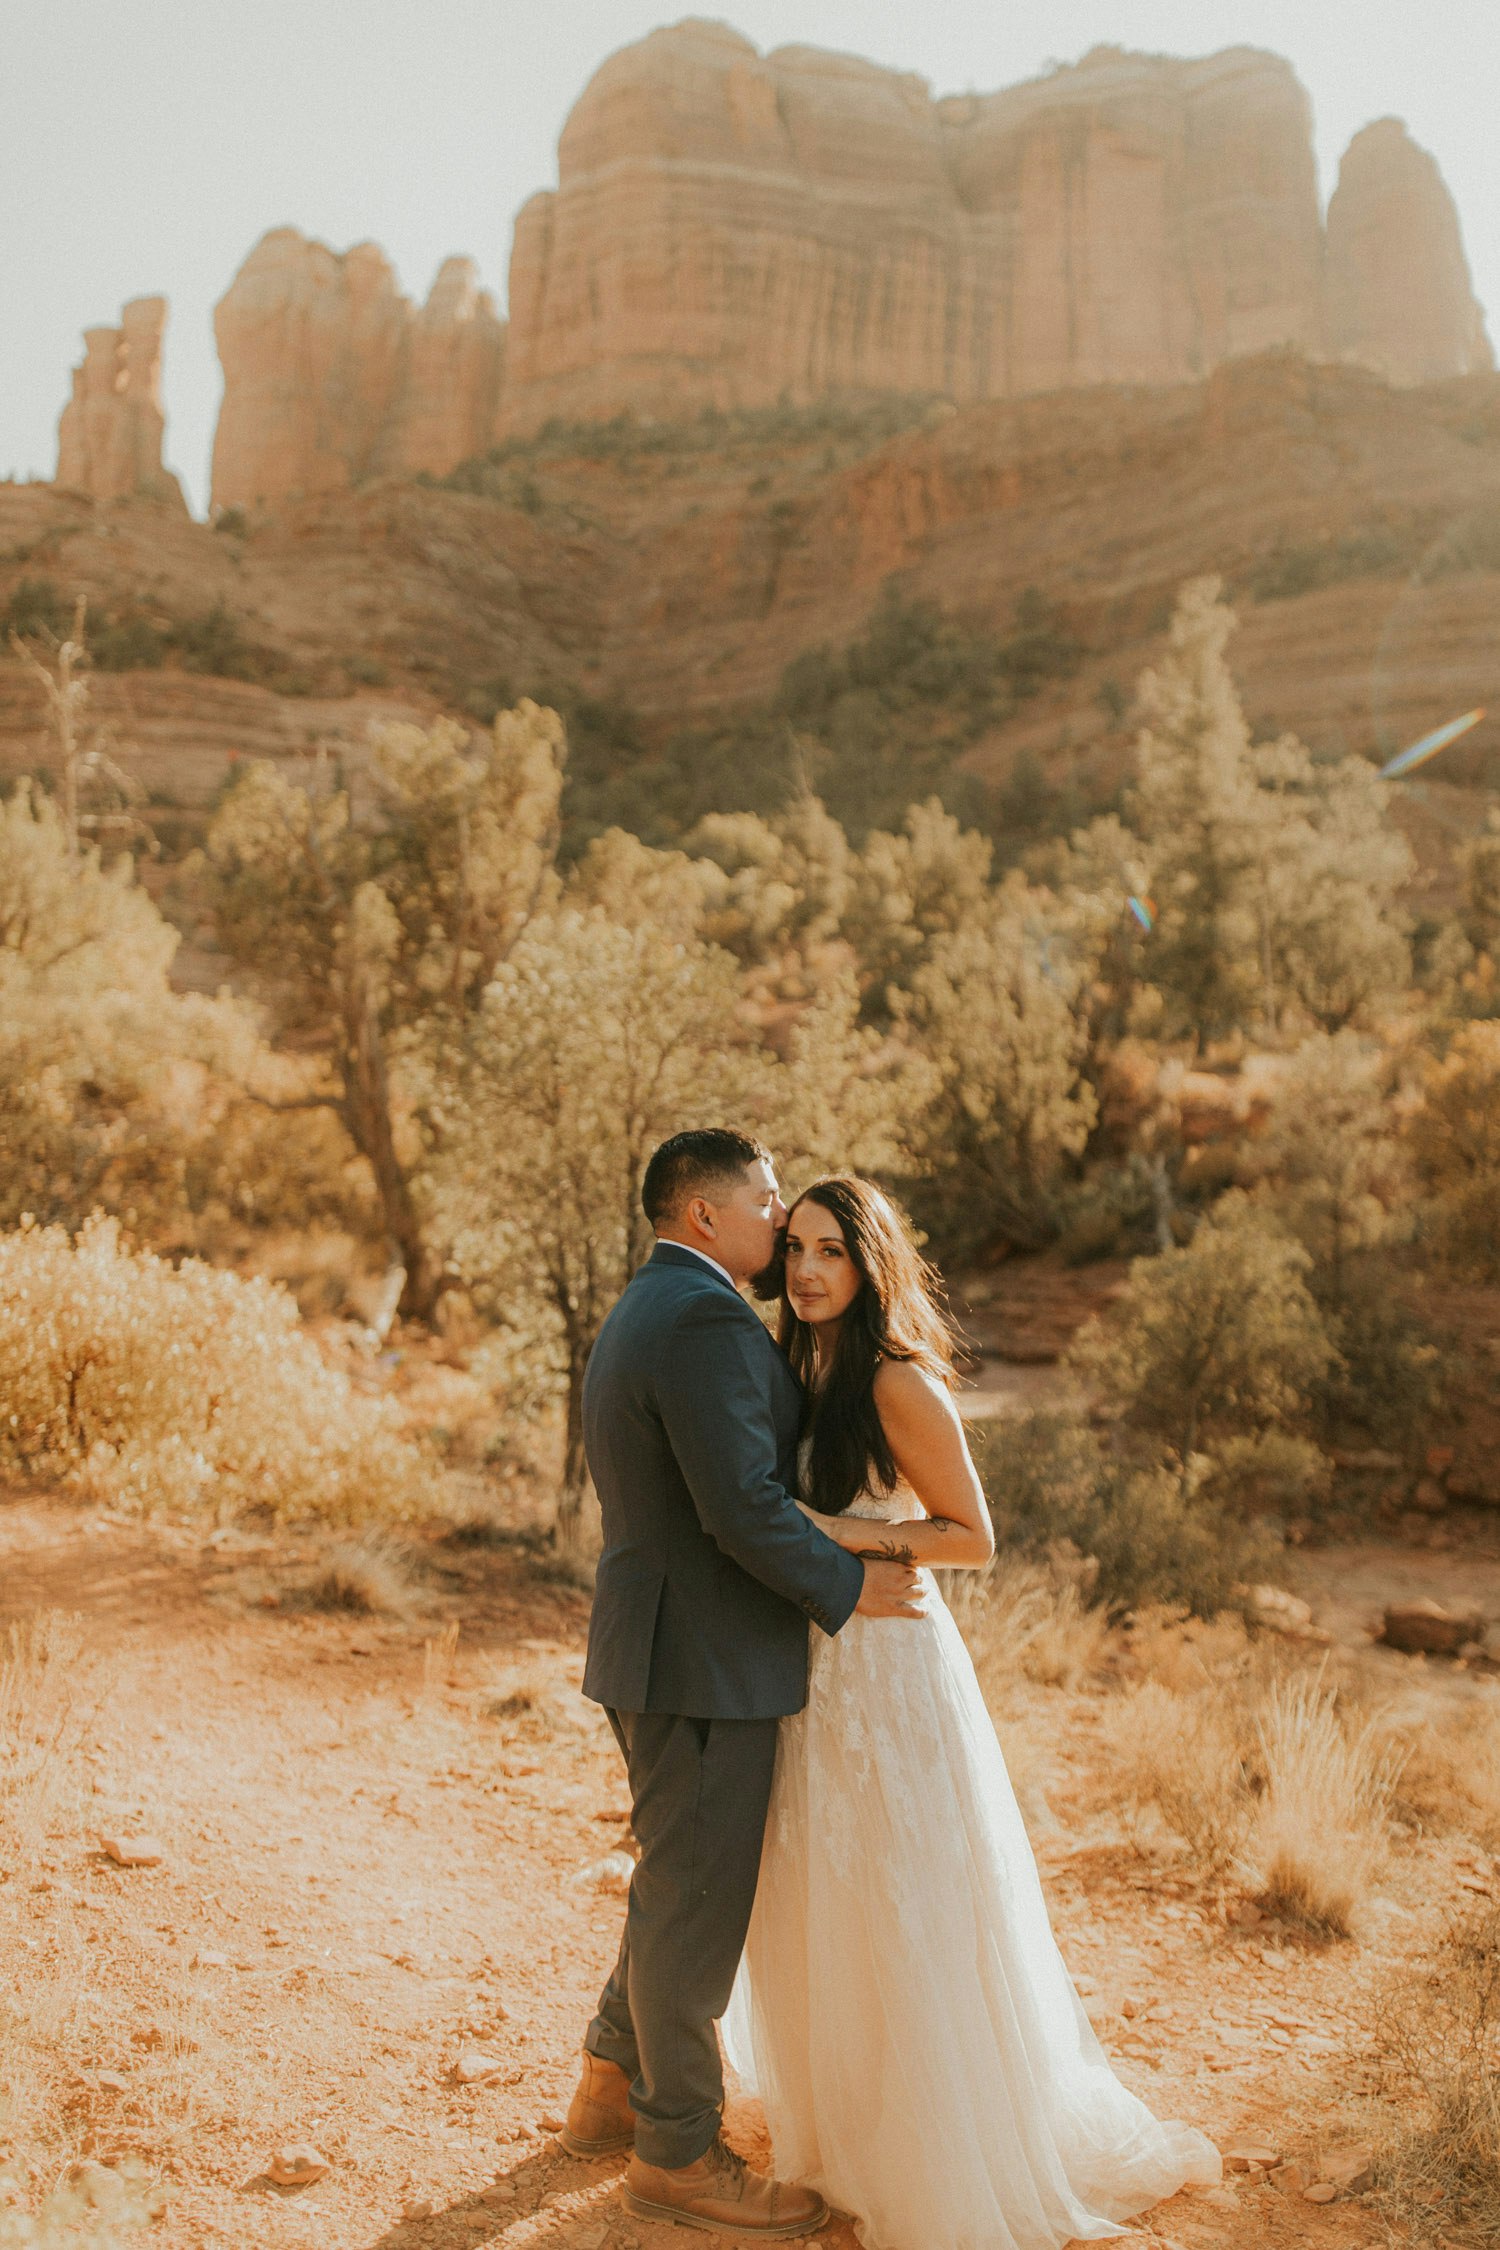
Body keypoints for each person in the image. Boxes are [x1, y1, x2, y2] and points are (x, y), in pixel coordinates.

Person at [723, 1175, 1222, 2250]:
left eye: (832, 1252)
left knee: (905, 1892)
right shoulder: (795, 1366)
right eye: (796, 1248)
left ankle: (935, 2151)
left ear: (870, 1266)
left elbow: (972, 1538)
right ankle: (849, 2130)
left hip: (890, 1669)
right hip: (811, 1666)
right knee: (825, 1890)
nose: (806, 1270)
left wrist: (832, 1531)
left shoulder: (897, 1380)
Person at [563, 1131, 925, 2240]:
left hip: (667, 1646)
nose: (780, 1218)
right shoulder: (706, 1318)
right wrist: (851, 1584)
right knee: (694, 1900)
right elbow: (741, 1508)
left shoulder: (655, 1302)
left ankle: (610, 2086)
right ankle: (677, 2153)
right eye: (768, 1200)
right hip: (702, 1659)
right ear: (705, 1214)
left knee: (677, 1879)